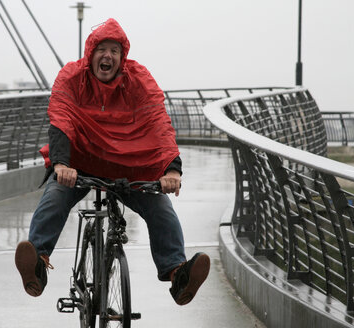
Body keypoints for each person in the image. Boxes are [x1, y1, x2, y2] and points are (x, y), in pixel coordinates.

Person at [15, 18, 210, 306]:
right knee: (55, 197)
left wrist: (172, 168)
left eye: (115, 51)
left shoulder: (139, 80)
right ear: (90, 53)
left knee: (161, 209)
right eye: (101, 49)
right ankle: (37, 265)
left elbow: (158, 123)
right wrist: (60, 164)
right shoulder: (71, 77)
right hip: (79, 163)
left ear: (122, 58)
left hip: (129, 168)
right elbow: (60, 119)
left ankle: (178, 275)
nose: (107, 56)